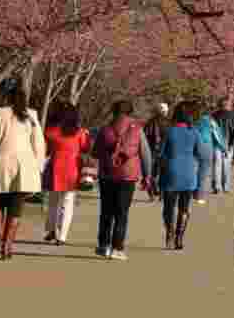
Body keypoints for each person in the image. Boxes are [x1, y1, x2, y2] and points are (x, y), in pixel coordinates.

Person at [0, 84, 45, 260]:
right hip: (25, 165)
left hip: (0, 163)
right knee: (16, 208)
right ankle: (7, 246)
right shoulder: (31, 116)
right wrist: (39, 168)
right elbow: (38, 144)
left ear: (7, 98)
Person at [93, 100, 151, 261]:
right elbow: (145, 154)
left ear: (113, 111)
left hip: (107, 175)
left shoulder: (105, 129)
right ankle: (117, 248)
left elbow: (95, 152)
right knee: (122, 212)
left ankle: (103, 245)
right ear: (130, 111)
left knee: (106, 211)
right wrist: (147, 176)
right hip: (128, 176)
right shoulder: (137, 129)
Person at [159, 101, 206, 250]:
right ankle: (179, 238)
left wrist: (155, 175)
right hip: (189, 175)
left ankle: (170, 234)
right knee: (184, 208)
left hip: (170, 174)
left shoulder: (169, 131)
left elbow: (160, 154)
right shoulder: (195, 132)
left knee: (168, 208)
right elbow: (202, 155)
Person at [43, 101, 91, 246]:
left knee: (52, 202)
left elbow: (45, 150)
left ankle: (51, 231)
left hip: (54, 169)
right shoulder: (80, 132)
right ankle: (62, 236)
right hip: (72, 170)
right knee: (67, 203)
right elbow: (86, 148)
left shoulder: (51, 132)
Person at [143, 103, 169, 201]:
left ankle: (152, 194)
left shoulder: (150, 122)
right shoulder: (169, 122)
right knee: (163, 173)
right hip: (164, 151)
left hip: (151, 150)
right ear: (165, 111)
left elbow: (145, 136)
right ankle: (161, 195)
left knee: (151, 174)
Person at [193, 105, 217, 204]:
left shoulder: (195, 121)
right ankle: (200, 196)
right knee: (203, 173)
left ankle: (192, 192)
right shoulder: (211, 122)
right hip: (207, 147)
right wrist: (223, 148)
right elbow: (217, 135)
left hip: (195, 147)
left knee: (194, 170)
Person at [211, 97, 234, 193]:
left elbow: (212, 130)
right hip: (227, 143)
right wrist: (232, 144)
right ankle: (226, 187)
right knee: (226, 166)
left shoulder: (214, 115)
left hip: (217, 143)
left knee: (217, 165)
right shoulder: (233, 115)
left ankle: (217, 187)